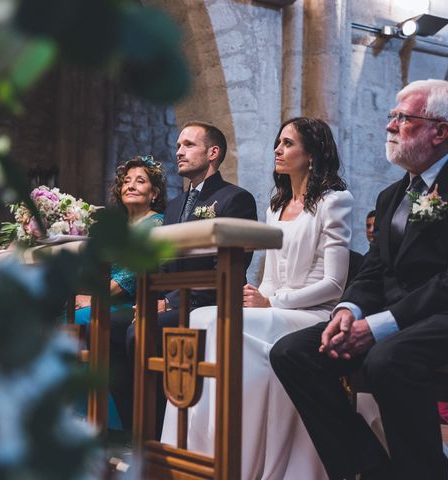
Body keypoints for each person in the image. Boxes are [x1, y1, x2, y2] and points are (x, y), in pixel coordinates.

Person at [270, 79, 448, 480]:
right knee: (292, 352)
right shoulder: (391, 196)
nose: (390, 126)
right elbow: (374, 271)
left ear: (440, 131)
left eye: (403, 118)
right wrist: (348, 311)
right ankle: (368, 470)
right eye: (391, 117)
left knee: (389, 359)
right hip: (407, 319)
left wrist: (380, 325)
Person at [162, 117, 353, 479]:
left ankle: (241, 455)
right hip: (278, 304)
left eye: (287, 143)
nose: (277, 150)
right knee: (203, 318)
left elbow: (334, 284)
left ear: (311, 154)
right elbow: (268, 278)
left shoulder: (335, 202)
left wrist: (272, 302)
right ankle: (191, 451)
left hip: (314, 313)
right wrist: (256, 294)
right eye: (277, 143)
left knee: (226, 325)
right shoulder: (275, 205)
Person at [108, 121, 258, 431]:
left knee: (140, 333)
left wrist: (172, 302)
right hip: (172, 302)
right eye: (178, 145)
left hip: (209, 302)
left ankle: (158, 433)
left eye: (188, 145)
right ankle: (134, 426)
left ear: (213, 152)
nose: (179, 151)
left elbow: (229, 267)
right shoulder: (175, 205)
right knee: (107, 326)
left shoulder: (235, 199)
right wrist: (154, 299)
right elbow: (162, 263)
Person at [73, 155, 165, 325]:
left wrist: (95, 297)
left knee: (75, 319)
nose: (130, 186)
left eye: (140, 181)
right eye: (126, 181)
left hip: (132, 302)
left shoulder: (157, 223)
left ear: (154, 193)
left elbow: (133, 273)